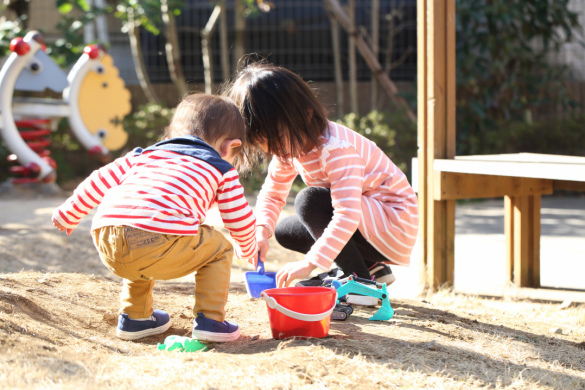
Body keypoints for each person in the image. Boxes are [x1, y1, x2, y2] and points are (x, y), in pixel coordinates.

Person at [52, 94, 257, 342]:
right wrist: (247, 247)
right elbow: (238, 218)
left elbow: (98, 180)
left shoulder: (141, 156)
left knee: (143, 228)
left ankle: (135, 318)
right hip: (155, 240)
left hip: (107, 238)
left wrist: (69, 214)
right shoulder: (221, 167)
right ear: (230, 147)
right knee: (219, 248)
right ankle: (211, 321)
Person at [225, 62, 418, 289]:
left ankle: (360, 283)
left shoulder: (336, 149)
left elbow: (346, 215)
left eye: (277, 136)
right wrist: (261, 230)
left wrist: (310, 263)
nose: (274, 149)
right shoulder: (290, 147)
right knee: (285, 230)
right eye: (263, 142)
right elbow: (273, 193)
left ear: (306, 115)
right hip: (370, 224)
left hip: (394, 224)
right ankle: (370, 268)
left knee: (310, 201)